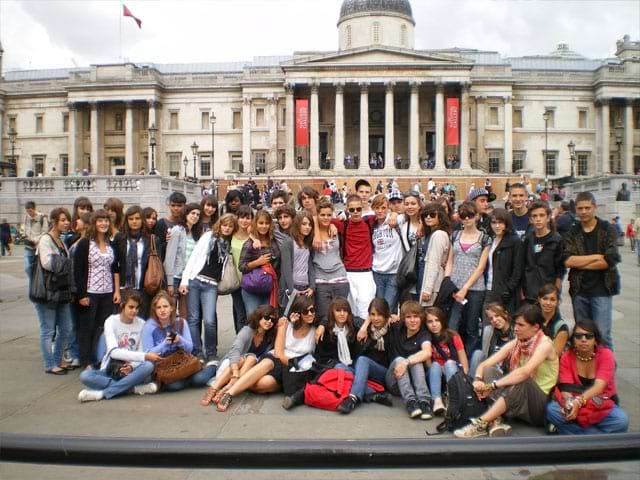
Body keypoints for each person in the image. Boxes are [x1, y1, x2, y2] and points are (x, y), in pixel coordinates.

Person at [454, 304, 558, 438]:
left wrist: (492, 386)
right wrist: (478, 380)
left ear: (536, 327)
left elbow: (524, 372)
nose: (515, 328)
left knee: (521, 379)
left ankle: (481, 423)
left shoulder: (545, 345)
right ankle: (496, 420)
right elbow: (484, 364)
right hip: (520, 400)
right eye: (515, 324)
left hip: (540, 405)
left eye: (521, 325)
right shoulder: (518, 342)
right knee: (489, 370)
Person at [215, 296, 318, 412]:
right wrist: (291, 362)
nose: (310, 314)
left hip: (295, 369)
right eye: (306, 311)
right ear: (298, 312)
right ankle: (229, 393)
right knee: (267, 363)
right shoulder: (286, 324)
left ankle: (243, 379)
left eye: (313, 310)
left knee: (259, 385)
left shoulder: (316, 330)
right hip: (278, 358)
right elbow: (278, 352)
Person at [545, 320, 628, 435]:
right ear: (573, 339)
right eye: (578, 336)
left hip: (600, 404)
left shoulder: (606, 355)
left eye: (588, 336)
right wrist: (570, 405)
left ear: (595, 340)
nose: (583, 339)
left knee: (621, 421)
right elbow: (566, 389)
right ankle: (598, 441)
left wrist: (579, 402)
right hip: (574, 404)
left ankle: (578, 437)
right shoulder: (566, 357)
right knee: (552, 410)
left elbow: (599, 387)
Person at [77, 291, 161, 402]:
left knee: (148, 366)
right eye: (131, 307)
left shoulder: (141, 324)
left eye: (137, 308)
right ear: (122, 305)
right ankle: (131, 389)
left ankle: (101, 394)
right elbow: (114, 352)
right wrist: (145, 356)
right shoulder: (111, 321)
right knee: (85, 376)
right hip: (112, 368)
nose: (134, 311)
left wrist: (132, 366)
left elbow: (141, 351)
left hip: (132, 370)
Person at [564, 192, 620, 350]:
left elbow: (610, 260)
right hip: (579, 290)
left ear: (594, 207)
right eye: (580, 208)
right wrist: (596, 257)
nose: (583, 211)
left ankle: (607, 371)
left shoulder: (607, 229)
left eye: (587, 208)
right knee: (582, 335)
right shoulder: (572, 232)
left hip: (602, 289)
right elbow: (567, 260)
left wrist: (579, 262)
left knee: (602, 334)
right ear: (575, 209)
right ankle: (586, 370)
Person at [180, 214, 238, 362]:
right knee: (193, 318)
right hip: (195, 280)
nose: (227, 228)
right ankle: (197, 352)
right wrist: (184, 281)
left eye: (230, 226)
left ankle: (211, 352)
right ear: (220, 225)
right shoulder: (208, 237)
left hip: (211, 285)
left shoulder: (230, 242)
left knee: (210, 320)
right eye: (225, 225)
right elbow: (193, 257)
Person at [200, 304, 277, 406]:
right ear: (259, 316)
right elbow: (235, 351)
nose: (269, 322)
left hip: (245, 373)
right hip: (231, 368)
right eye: (267, 318)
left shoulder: (270, 337)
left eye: (273, 320)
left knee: (251, 359)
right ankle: (214, 389)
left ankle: (226, 389)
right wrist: (235, 374)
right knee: (244, 359)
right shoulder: (247, 330)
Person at [74, 209, 120, 368]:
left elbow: (116, 268)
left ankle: (99, 357)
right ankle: (86, 361)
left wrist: (116, 290)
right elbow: (78, 270)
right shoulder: (85, 243)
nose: (104, 223)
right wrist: (82, 294)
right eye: (100, 221)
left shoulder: (111, 244)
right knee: (87, 327)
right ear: (94, 223)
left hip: (107, 292)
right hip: (90, 292)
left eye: (106, 220)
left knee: (103, 328)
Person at [142, 291, 214, 391]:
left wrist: (179, 340)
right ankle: (189, 378)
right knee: (174, 386)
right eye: (159, 307)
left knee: (199, 380)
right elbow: (147, 353)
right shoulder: (149, 327)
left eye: (165, 306)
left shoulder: (180, 322)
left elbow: (190, 348)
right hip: (165, 367)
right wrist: (164, 344)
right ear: (154, 309)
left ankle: (213, 366)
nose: (162, 310)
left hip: (184, 362)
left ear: (171, 308)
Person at [445, 201, 491, 354]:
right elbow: (450, 260)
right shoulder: (455, 235)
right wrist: (448, 282)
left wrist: (465, 288)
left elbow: (481, 267)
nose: (466, 219)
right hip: (455, 287)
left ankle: (470, 363)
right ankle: (454, 357)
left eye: (470, 216)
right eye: (463, 216)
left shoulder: (484, 238)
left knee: (471, 327)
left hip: (475, 288)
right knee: (452, 325)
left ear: (477, 216)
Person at [335, 298, 394, 414]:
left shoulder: (393, 328)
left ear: (386, 315)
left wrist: (395, 316)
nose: (376, 318)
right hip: (363, 372)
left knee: (363, 360)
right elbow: (350, 318)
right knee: (338, 367)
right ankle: (373, 394)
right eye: (372, 314)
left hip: (384, 373)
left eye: (380, 315)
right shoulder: (365, 329)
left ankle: (353, 398)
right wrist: (364, 326)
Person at [33, 207, 73, 375]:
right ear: (54, 221)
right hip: (47, 292)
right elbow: (48, 263)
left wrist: (64, 263)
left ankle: (58, 360)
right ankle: (50, 364)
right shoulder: (46, 240)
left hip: (61, 291)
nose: (66, 223)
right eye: (63, 220)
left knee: (66, 328)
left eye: (67, 220)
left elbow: (61, 263)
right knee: (48, 329)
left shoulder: (61, 241)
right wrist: (65, 263)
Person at [331, 194, 377, 325]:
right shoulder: (343, 224)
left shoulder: (369, 221)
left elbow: (389, 214)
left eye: (358, 209)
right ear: (347, 209)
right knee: (348, 311)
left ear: (362, 208)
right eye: (352, 210)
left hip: (366, 273)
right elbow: (321, 218)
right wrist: (339, 217)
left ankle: (364, 338)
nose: (356, 212)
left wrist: (393, 215)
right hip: (348, 272)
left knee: (365, 310)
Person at [384, 300, 433, 419]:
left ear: (421, 318)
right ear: (403, 319)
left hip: (413, 382)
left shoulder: (424, 334)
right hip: (394, 380)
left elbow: (427, 351)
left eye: (416, 317)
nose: (412, 320)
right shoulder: (397, 327)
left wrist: (407, 362)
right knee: (399, 359)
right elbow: (376, 315)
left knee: (415, 361)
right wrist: (390, 316)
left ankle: (424, 402)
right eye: (408, 317)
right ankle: (411, 402)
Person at [312, 199, 351, 326]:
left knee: (341, 317)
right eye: (322, 215)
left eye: (329, 215)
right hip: (321, 279)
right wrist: (316, 232)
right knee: (324, 318)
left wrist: (333, 224)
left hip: (339, 277)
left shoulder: (336, 227)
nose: (326, 218)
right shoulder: (311, 231)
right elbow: (309, 216)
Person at [425, 306, 468, 416]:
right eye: (430, 322)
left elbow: (463, 358)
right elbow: (428, 364)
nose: (434, 324)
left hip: (454, 370)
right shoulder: (426, 338)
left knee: (449, 363)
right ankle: (437, 401)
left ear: (442, 321)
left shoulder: (453, 335)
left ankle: (452, 398)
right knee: (435, 365)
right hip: (436, 374)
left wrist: (465, 376)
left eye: (437, 320)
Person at [521, 200, 565, 303]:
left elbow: (560, 270)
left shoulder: (557, 240)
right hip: (529, 293)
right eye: (535, 216)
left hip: (547, 293)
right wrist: (521, 290)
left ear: (548, 217)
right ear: (530, 220)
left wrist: (556, 293)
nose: (538, 219)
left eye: (541, 215)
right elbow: (523, 265)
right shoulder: (528, 239)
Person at [114, 206, 154, 318]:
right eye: (131, 219)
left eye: (137, 218)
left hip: (143, 288)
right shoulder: (119, 238)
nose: (134, 221)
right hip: (124, 287)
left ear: (142, 220)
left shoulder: (151, 239)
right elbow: (115, 264)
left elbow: (156, 264)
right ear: (126, 220)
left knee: (141, 321)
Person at [239, 210, 281, 315]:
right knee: (254, 320)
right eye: (261, 223)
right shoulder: (249, 244)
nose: (264, 226)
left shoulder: (273, 240)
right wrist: (258, 262)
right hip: (252, 288)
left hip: (269, 287)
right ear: (256, 224)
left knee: (269, 318)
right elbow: (241, 266)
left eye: (267, 223)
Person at [164, 203, 202, 319]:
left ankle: (182, 336)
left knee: (185, 313)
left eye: (197, 214)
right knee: (170, 312)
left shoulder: (196, 234)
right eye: (192, 213)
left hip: (188, 278)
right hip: (175, 277)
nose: (195, 216)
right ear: (186, 214)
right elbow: (170, 257)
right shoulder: (177, 230)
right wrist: (170, 282)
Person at [484, 208, 523, 314]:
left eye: (500, 222)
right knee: (487, 327)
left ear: (506, 223)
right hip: (488, 288)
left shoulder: (515, 241)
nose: (497, 226)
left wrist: (508, 289)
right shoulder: (490, 240)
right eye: (494, 222)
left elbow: (517, 270)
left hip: (505, 293)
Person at [371, 194, 404, 313]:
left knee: (387, 309)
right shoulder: (372, 225)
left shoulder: (394, 220)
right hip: (377, 272)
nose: (380, 211)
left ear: (388, 207)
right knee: (379, 309)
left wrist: (395, 213)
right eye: (377, 208)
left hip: (393, 273)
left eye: (383, 207)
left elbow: (411, 214)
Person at [279, 212, 315, 314]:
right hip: (292, 288)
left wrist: (312, 287)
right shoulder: (289, 242)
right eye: (304, 224)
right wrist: (292, 290)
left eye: (309, 225)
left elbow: (310, 266)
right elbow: (286, 269)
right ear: (297, 224)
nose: (307, 227)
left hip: (306, 287)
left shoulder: (308, 243)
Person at [469, 302, 515, 378]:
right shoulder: (489, 330)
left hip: (506, 370)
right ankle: (471, 385)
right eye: (491, 318)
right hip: (490, 366)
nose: (494, 320)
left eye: (497, 316)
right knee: (478, 353)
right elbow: (485, 353)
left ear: (505, 314)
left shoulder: (516, 331)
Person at [419, 203, 451, 307]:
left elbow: (434, 263)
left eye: (432, 214)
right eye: (425, 215)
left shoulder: (439, 235)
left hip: (433, 287)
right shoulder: (432, 234)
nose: (428, 217)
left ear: (440, 217)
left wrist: (427, 289)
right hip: (429, 282)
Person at [230, 205, 253, 332]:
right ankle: (240, 346)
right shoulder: (231, 235)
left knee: (251, 315)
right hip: (236, 282)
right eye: (241, 217)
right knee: (240, 315)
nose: (244, 221)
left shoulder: (254, 237)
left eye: (248, 218)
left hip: (250, 281)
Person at [537, 283, 569, 356]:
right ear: (539, 299)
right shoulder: (530, 319)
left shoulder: (561, 327)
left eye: (552, 299)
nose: (548, 303)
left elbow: (555, 356)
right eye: (545, 298)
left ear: (557, 302)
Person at [23, 201, 49, 286]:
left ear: (34, 209)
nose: (29, 213)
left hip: (39, 246)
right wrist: (24, 236)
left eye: (30, 211)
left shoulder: (42, 218)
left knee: (39, 267)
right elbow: (26, 229)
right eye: (27, 211)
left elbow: (45, 232)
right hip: (29, 245)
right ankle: (34, 282)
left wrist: (36, 239)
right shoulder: (27, 217)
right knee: (27, 267)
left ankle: (39, 283)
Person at [154, 192, 187, 261]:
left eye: (179, 205)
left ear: (184, 206)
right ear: (169, 205)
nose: (176, 208)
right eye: (173, 205)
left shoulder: (186, 223)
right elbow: (157, 248)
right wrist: (167, 241)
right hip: (166, 264)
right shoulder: (160, 223)